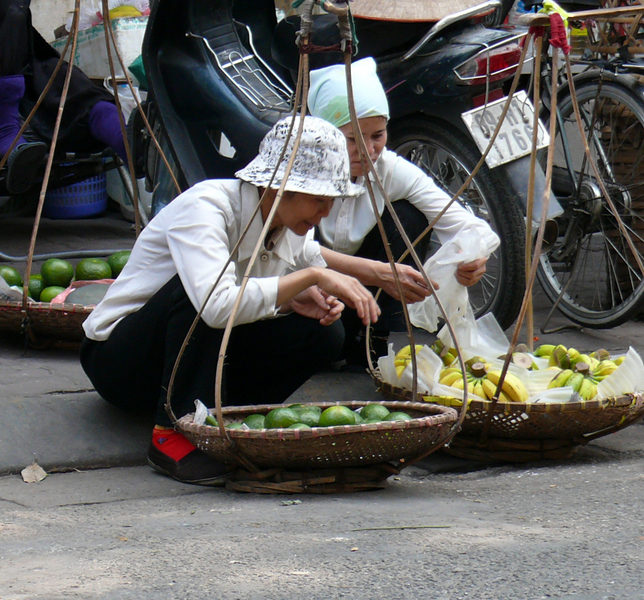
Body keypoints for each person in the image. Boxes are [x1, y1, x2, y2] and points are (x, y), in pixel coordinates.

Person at [80, 116, 380, 486]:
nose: (325, 213)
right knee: (198, 298)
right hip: (121, 363)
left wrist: (299, 298)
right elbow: (217, 306)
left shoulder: (290, 224)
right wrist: (310, 278)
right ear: (278, 187)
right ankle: (169, 436)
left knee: (324, 333)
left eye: (330, 202)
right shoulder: (206, 207)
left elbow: (289, 282)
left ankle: (226, 417)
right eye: (319, 200)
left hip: (196, 359)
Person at [307, 57, 500, 365]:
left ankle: (376, 336)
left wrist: (471, 259)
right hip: (308, 296)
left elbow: (469, 226)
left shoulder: (389, 170)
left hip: (367, 296)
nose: (369, 150)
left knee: (410, 216)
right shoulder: (299, 173)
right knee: (326, 344)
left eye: (378, 136)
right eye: (352, 139)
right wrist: (376, 271)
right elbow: (289, 251)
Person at [0, 0, 126, 194]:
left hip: (21, 60)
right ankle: (8, 138)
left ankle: (129, 144)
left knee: (66, 83)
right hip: (14, 85)